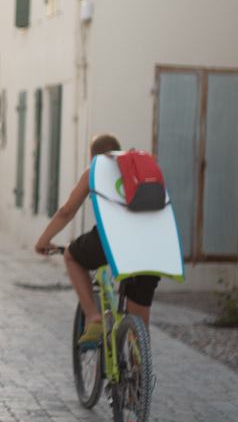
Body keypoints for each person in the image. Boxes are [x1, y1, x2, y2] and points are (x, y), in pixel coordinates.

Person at [34, 133, 159, 350]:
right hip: (150, 242)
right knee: (139, 318)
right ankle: (140, 370)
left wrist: (44, 240)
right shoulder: (142, 168)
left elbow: (66, 211)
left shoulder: (95, 169)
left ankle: (93, 316)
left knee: (72, 256)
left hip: (113, 238)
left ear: (94, 157)